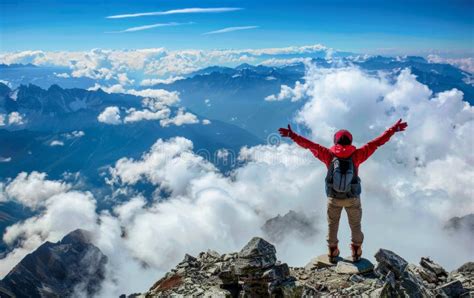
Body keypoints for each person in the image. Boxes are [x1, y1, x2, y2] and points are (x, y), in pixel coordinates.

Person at [278, 119, 407, 262]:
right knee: (355, 225)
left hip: (333, 197)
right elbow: (377, 143)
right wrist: (393, 130)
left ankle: (332, 251)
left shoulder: (327, 155)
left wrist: (292, 135)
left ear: (335, 141)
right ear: (350, 142)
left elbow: (309, 145)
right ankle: (356, 250)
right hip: (352, 198)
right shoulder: (358, 155)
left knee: (332, 224)